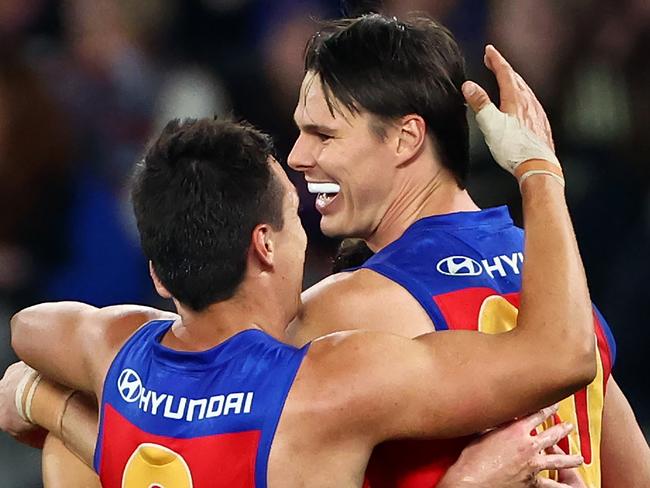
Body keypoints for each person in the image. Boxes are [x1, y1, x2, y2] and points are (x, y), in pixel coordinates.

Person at [1, 56, 596, 487]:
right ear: (264, 244)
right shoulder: (330, 380)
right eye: (292, 214)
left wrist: (42, 399)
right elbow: (567, 355)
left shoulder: (115, 352)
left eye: (321, 132)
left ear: (159, 274)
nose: (301, 158)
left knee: (63, 452)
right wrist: (539, 170)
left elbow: (28, 327)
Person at [285, 14, 649, 488]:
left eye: (324, 134)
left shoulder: (343, 310)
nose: (296, 155)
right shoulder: (560, 287)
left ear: (406, 137)